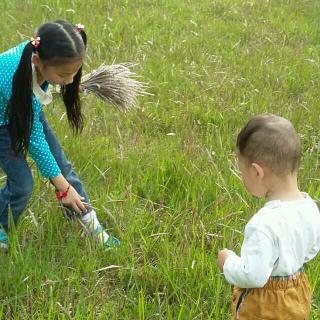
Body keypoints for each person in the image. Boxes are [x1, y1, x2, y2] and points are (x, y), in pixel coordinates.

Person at [0, 20, 120, 250]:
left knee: (62, 166)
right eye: (65, 74)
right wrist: (62, 187)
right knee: (23, 184)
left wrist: (63, 182)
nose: (71, 80)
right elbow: (34, 140)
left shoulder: (42, 57)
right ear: (38, 62)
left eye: (75, 73)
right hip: (2, 123)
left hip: (25, 111)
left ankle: (90, 225)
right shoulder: (11, 74)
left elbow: (30, 116)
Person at [218, 114, 320, 319]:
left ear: (257, 172)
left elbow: (253, 275)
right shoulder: (310, 207)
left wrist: (228, 261)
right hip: (297, 294)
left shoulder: (263, 224)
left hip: (265, 304)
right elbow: (312, 248)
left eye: (242, 171)